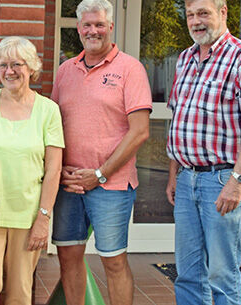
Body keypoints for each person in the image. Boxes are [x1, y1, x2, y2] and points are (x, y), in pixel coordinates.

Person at [165, 0, 241, 304]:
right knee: (187, 272)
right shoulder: (185, 58)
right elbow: (180, 119)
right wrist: (174, 175)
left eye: (204, 13)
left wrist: (237, 181)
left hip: (223, 178)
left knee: (221, 274)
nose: (196, 21)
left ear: (223, 12)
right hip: (187, 179)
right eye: (190, 14)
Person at [50, 0, 152, 304]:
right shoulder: (66, 70)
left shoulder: (130, 69)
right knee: (68, 258)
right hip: (69, 185)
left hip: (111, 185)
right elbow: (54, 124)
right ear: (79, 29)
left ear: (110, 27)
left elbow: (140, 131)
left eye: (99, 24)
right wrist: (60, 168)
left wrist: (100, 173)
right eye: (87, 25)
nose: (93, 30)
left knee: (114, 260)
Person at [0, 36, 64, 305]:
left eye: (17, 64)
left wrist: (43, 217)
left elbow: (53, 169)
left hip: (28, 216)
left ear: (31, 68)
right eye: (2, 65)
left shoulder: (48, 110)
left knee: (20, 290)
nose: (9, 71)